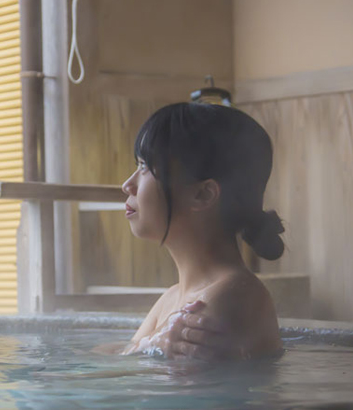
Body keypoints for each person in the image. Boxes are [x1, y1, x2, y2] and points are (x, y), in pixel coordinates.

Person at [118, 102, 284, 360]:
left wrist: (150, 344)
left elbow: (158, 391)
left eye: (145, 167)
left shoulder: (231, 296)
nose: (128, 185)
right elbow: (122, 355)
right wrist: (153, 343)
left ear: (202, 194)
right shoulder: (174, 297)